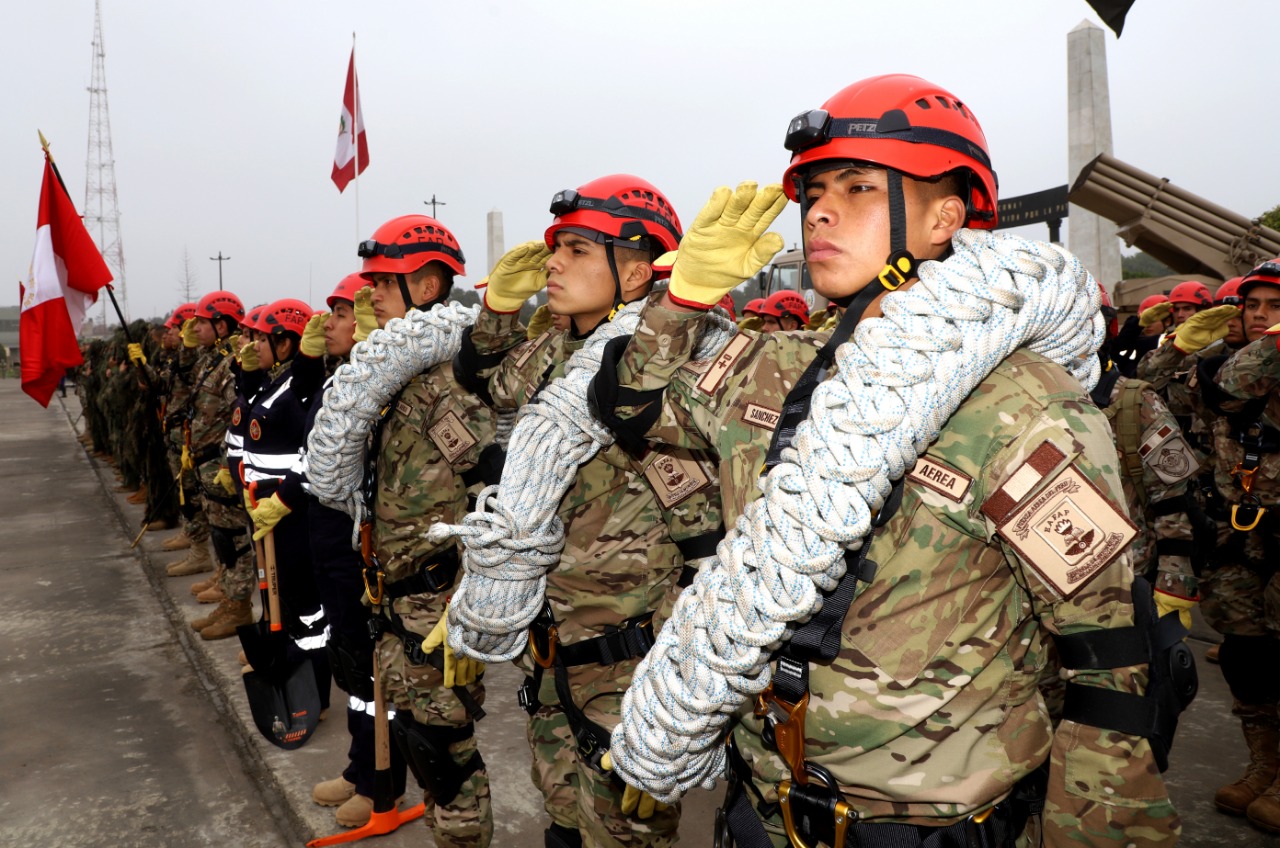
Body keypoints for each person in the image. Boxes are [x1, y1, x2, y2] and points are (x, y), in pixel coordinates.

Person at [595, 74, 1180, 846]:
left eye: (858, 187)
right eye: (813, 192)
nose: (822, 211)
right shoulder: (771, 370)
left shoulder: (1021, 406)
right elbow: (629, 409)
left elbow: (1105, 662)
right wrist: (681, 301)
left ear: (945, 215)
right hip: (763, 808)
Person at [454, 174, 725, 848]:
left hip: (625, 667)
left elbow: (705, 544)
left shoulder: (657, 372)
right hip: (552, 658)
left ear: (635, 273)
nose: (553, 262)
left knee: (622, 836)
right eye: (556, 249)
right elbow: (482, 380)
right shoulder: (555, 351)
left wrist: (676, 691)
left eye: (577, 250)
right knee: (562, 822)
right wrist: (496, 309)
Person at [358, 214, 499, 848]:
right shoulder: (397, 386)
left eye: (383, 283)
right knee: (422, 745)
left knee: (447, 755)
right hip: (397, 598)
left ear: (427, 284)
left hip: (438, 603)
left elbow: (493, 496)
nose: (372, 296)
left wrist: (472, 598)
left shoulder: (447, 392)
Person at [300, 274, 411, 828]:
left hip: (360, 544)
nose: (330, 325)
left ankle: (381, 781)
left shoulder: (379, 383)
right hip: (329, 538)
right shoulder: (338, 380)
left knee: (375, 671)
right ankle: (359, 763)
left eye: (342, 313)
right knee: (351, 663)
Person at [1181, 259, 1280, 830]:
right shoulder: (1228, 362)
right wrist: (1193, 344)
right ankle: (1262, 766)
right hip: (1239, 533)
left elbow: (1240, 385)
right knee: (1248, 658)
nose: (1261, 316)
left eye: (1275, 306)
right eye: (1252, 305)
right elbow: (1201, 393)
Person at [179, 291, 256, 641]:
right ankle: (229, 597)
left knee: (234, 539)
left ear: (221, 324)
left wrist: (228, 463)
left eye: (202, 322)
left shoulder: (230, 363)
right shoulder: (211, 359)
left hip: (221, 461)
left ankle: (238, 607)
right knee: (222, 536)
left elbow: (237, 416)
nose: (194, 327)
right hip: (205, 460)